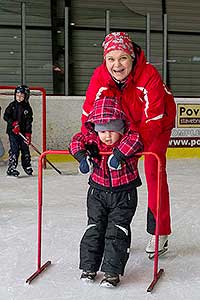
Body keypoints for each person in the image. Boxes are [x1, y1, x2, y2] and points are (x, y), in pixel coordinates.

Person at [80, 32, 176, 256]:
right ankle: (114, 229)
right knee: (110, 171)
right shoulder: (100, 77)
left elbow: (153, 119)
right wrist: (90, 144)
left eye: (123, 58)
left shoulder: (149, 74)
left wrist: (127, 150)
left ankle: (159, 231)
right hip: (120, 124)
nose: (117, 64)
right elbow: (89, 117)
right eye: (111, 58)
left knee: (154, 172)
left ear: (132, 57)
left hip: (157, 124)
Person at [69, 92, 143, 287]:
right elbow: (76, 140)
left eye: (112, 130)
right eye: (102, 131)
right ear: (96, 129)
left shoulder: (128, 138)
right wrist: (81, 156)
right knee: (94, 228)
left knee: (116, 231)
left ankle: (111, 272)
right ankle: (89, 267)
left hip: (124, 194)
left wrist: (118, 155)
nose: (107, 136)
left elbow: (136, 139)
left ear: (120, 126)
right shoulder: (93, 140)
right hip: (97, 193)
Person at [3, 85, 33, 177]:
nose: (19, 97)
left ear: (26, 96)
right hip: (13, 132)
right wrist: (13, 123)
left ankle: (27, 166)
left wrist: (28, 134)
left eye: (21, 96)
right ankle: (11, 168)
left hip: (23, 132)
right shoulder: (12, 106)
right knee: (14, 149)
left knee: (25, 149)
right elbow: (6, 116)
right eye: (17, 95)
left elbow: (29, 122)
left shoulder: (28, 109)